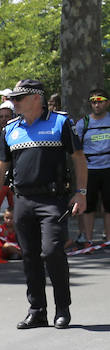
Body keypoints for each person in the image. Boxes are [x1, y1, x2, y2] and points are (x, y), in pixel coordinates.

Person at [0, 78, 89, 329]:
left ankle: (62, 308)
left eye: (19, 98)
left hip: (52, 199)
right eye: (13, 99)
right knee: (30, 256)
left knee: (52, 251)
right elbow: (0, 166)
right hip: (22, 200)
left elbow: (78, 157)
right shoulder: (10, 129)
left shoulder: (60, 122)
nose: (14, 103)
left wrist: (81, 192)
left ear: (36, 98)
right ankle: (37, 311)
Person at [75, 87, 109, 243]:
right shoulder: (83, 123)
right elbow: (77, 150)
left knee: (108, 206)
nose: (97, 105)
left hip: (108, 168)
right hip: (90, 170)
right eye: (93, 102)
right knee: (88, 206)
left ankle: (108, 239)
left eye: (100, 101)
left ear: (107, 103)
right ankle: (88, 240)